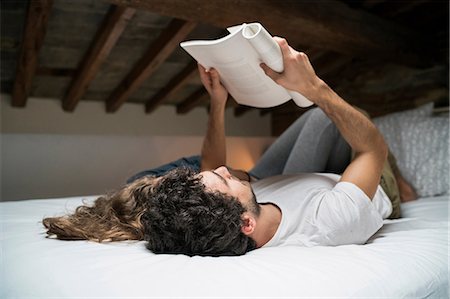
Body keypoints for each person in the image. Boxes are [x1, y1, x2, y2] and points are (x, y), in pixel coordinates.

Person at [43, 37, 416, 256]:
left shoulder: (234, 214)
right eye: (223, 181)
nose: (224, 169)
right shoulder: (333, 221)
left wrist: (217, 101)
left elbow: (213, 171)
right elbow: (372, 148)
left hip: (297, 184)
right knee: (354, 117)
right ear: (246, 222)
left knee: (325, 123)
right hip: (370, 186)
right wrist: (312, 87)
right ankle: (403, 185)